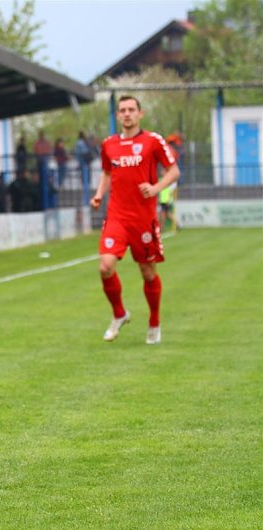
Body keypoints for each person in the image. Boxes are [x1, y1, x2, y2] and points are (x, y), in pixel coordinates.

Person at [90, 95, 179, 345]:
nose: (127, 114)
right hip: (117, 217)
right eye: (122, 110)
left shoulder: (153, 141)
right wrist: (98, 195)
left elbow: (173, 171)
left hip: (143, 220)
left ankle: (154, 322)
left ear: (140, 113)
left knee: (148, 273)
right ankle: (119, 314)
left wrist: (156, 187)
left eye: (131, 110)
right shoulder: (109, 145)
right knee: (105, 266)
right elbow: (107, 172)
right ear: (118, 116)